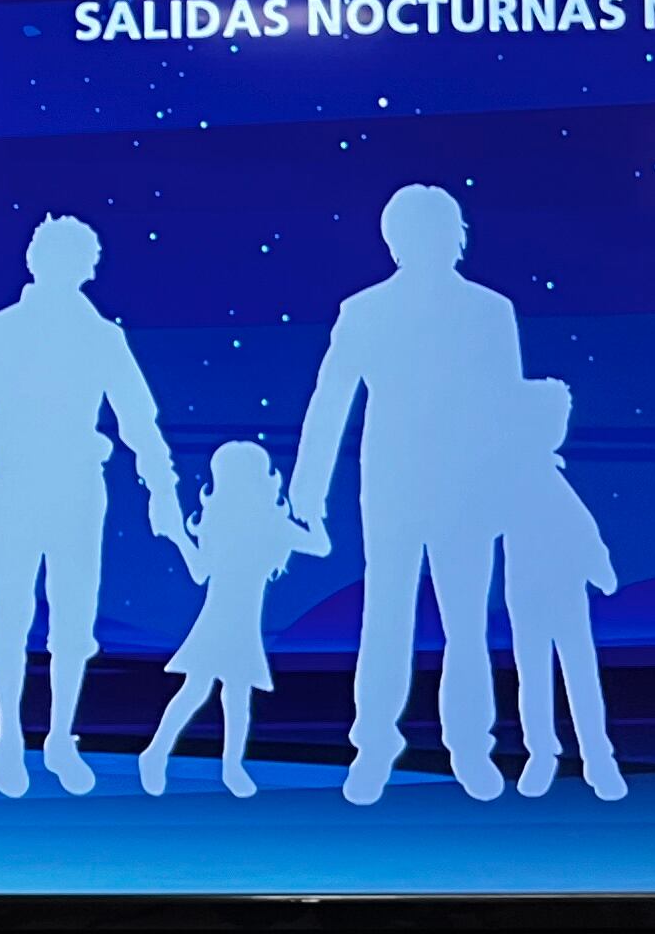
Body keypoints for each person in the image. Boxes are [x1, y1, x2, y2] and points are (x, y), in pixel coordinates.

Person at [289, 182, 527, 807]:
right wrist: (308, 490)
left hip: (462, 487)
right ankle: (376, 746)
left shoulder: (487, 311)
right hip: (396, 485)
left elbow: (504, 408)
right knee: (394, 619)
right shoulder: (366, 310)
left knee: (455, 624)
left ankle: (467, 749)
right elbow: (331, 399)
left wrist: (509, 488)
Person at [0, 214, 183, 797]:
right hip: (16, 482)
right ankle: (8, 738)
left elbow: (138, 418)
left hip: (75, 485)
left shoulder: (101, 337)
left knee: (72, 623)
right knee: (10, 619)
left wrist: (161, 485)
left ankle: (58, 737)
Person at [139, 440, 327, 799]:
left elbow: (319, 547)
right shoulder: (240, 524)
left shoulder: (267, 524)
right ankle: (164, 755)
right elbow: (319, 544)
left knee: (228, 694)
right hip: (220, 618)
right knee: (207, 690)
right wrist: (178, 535)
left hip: (241, 622)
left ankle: (226, 766)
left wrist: (179, 534)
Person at [500, 377, 628, 802]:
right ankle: (545, 754)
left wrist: (598, 567)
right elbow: (577, 530)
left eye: (561, 419)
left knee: (576, 673)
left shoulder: (548, 476)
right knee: (535, 674)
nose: (558, 426)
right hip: (529, 590)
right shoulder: (519, 476)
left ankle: (595, 757)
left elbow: (582, 531)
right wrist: (598, 564)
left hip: (564, 590)